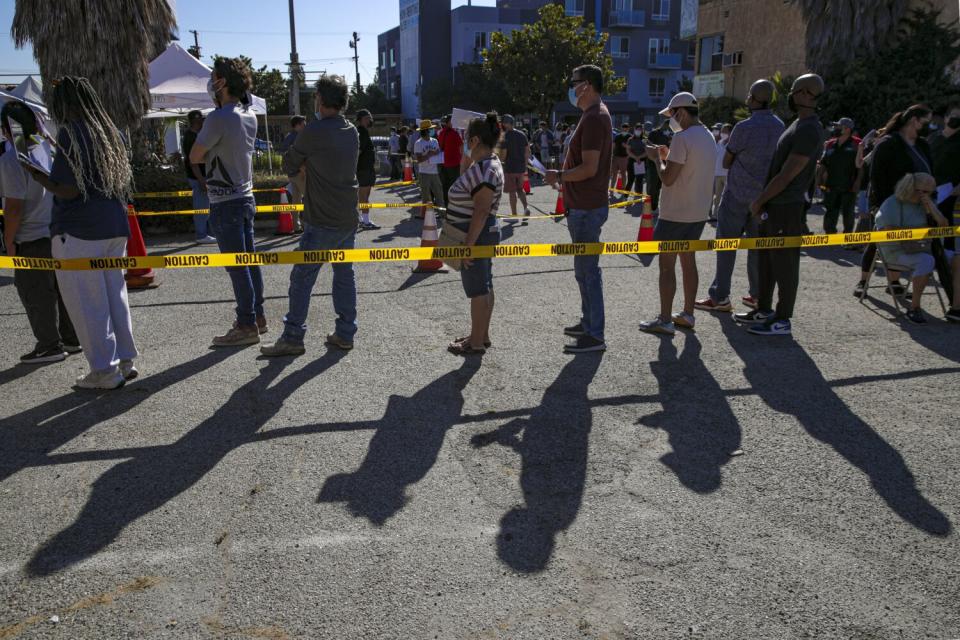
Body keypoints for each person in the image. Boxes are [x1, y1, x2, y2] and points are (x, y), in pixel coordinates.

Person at [22, 77, 137, 389]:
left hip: (79, 231)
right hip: (114, 227)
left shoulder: (71, 133)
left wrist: (35, 173)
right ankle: (125, 361)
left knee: (88, 304)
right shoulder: (109, 131)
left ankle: (104, 371)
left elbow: (68, 189)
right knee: (116, 297)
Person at [262, 75, 360, 356]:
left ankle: (293, 337)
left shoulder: (314, 131)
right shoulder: (350, 130)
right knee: (344, 275)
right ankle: (345, 332)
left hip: (321, 218)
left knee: (302, 278)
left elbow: (289, 162)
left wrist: (303, 180)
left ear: (320, 99)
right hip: (347, 216)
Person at [738, 73, 826, 336]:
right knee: (766, 261)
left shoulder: (809, 129)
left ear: (807, 94)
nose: (791, 95)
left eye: (796, 90)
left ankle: (782, 318)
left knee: (785, 264)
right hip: (774, 206)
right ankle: (764, 309)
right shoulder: (796, 124)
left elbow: (788, 174)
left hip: (787, 207)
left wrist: (760, 200)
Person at [189, 56, 266, 347]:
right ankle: (257, 316)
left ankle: (246, 324)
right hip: (245, 196)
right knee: (250, 262)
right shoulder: (250, 115)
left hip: (224, 200)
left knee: (237, 266)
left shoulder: (218, 118)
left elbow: (195, 156)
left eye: (213, 77)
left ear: (221, 82)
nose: (210, 82)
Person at [0, 99, 80, 363]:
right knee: (61, 288)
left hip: (31, 235)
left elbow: (14, 206)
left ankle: (49, 345)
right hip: (58, 229)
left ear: (6, 129)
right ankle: (71, 338)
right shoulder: (47, 148)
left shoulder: (13, 157)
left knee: (35, 292)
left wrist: (8, 240)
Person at [695, 79, 784, 313]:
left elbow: (726, 160)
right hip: (763, 198)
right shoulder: (780, 126)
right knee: (757, 249)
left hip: (737, 194)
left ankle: (720, 296)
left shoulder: (743, 128)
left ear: (753, 98)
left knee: (726, 246)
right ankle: (757, 295)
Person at [545, 64, 612, 353]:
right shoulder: (592, 115)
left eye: (574, 83)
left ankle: (595, 334)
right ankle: (588, 323)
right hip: (582, 205)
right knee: (583, 271)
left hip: (587, 206)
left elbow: (589, 168)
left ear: (586, 85)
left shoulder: (595, 117)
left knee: (589, 271)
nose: (571, 88)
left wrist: (560, 176)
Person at [639, 92, 717, 336]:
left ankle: (664, 319)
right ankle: (688, 313)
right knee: (688, 262)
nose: (670, 119)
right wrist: (666, 156)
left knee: (666, 267)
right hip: (698, 212)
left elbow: (668, 178)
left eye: (672, 114)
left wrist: (655, 159)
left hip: (675, 214)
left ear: (681, 112)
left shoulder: (683, 137)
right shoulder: (708, 137)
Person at [854, 105, 933, 296]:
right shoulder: (887, 144)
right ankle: (863, 281)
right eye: (925, 122)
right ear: (914, 120)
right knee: (877, 243)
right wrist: (879, 207)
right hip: (887, 204)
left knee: (904, 244)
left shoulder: (923, 146)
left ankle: (894, 283)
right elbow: (876, 178)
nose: (929, 126)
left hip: (914, 205)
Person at [446, 113, 504, 356]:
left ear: (476, 140)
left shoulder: (485, 170)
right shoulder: (485, 165)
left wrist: (468, 246)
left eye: (466, 138)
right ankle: (481, 335)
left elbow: (480, 211)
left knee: (478, 290)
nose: (464, 142)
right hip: (479, 233)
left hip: (475, 235)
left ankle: (477, 342)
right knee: (485, 285)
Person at [874, 172, 960, 323]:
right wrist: (918, 234)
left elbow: (944, 225)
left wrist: (931, 207)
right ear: (912, 188)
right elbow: (887, 231)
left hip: (926, 248)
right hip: (897, 250)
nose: (927, 195)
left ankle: (956, 308)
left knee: (958, 260)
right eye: (924, 192)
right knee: (926, 261)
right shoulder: (893, 203)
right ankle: (914, 308)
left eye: (931, 192)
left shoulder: (926, 204)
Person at [818, 117, 861, 234]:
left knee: (848, 213)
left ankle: (847, 236)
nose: (835, 128)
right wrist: (819, 179)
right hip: (830, 184)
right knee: (830, 210)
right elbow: (823, 163)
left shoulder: (857, 143)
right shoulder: (831, 143)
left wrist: (858, 182)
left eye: (838, 126)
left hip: (849, 185)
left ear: (847, 129)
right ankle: (830, 234)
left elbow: (861, 166)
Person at [181, 110, 217, 243]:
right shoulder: (190, 137)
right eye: (201, 120)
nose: (203, 122)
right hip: (198, 177)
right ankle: (201, 235)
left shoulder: (198, 134)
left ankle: (208, 233)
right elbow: (193, 162)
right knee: (201, 207)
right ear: (196, 121)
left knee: (207, 205)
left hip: (203, 175)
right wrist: (201, 180)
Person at [931, 103, 960, 252]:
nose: (956, 119)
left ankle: (948, 255)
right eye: (954, 116)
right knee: (929, 222)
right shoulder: (933, 138)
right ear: (946, 118)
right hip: (929, 187)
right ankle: (931, 254)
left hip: (950, 189)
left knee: (946, 220)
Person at [498, 114, 531, 220]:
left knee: (512, 191)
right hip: (521, 168)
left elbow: (503, 155)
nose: (502, 124)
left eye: (503, 122)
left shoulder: (505, 136)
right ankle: (526, 208)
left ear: (506, 124)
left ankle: (514, 215)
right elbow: (528, 151)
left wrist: (500, 160)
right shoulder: (522, 134)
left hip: (510, 167)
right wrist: (525, 164)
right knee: (520, 189)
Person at [278, 115, 306, 233]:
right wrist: (302, 168)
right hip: (300, 172)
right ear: (298, 125)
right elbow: (299, 155)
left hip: (291, 173)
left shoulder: (289, 137)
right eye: (304, 123)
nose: (305, 125)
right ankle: (308, 225)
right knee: (309, 198)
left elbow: (283, 153)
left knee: (296, 200)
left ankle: (296, 225)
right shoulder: (299, 137)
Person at [355, 109, 380, 231]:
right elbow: (358, 152)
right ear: (361, 119)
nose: (370, 119)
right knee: (364, 196)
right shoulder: (362, 132)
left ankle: (360, 219)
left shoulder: (362, 132)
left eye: (370, 117)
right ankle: (365, 221)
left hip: (366, 169)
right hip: (363, 169)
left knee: (363, 195)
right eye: (367, 118)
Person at [413, 119, 442, 215]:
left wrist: (438, 154)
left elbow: (438, 153)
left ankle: (442, 213)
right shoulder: (418, 143)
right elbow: (419, 160)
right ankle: (425, 215)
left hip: (435, 172)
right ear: (425, 131)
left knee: (439, 194)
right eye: (430, 129)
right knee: (426, 196)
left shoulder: (435, 141)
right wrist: (429, 154)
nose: (431, 131)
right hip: (424, 173)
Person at [437, 114, 463, 207]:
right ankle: (454, 204)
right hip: (454, 163)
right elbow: (461, 148)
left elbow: (440, 146)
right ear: (448, 123)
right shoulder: (454, 134)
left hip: (444, 163)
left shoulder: (441, 133)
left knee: (445, 185)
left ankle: (446, 204)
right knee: (454, 185)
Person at [646, 120, 672, 212]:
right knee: (652, 186)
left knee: (658, 186)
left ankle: (655, 205)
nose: (669, 129)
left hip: (664, 163)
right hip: (653, 163)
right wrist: (658, 146)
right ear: (664, 125)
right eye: (669, 126)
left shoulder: (669, 135)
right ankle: (650, 206)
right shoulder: (654, 133)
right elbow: (648, 144)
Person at [710, 123, 732, 220]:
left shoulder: (732, 144)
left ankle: (726, 216)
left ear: (731, 132)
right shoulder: (719, 143)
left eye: (725, 131)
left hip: (727, 174)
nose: (723, 133)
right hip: (717, 174)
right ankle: (715, 215)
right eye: (722, 131)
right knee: (717, 197)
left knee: (726, 197)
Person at [624, 122, 647, 195]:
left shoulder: (644, 140)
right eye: (637, 129)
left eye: (640, 129)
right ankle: (625, 196)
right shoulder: (630, 139)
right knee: (630, 180)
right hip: (632, 161)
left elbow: (646, 152)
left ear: (642, 131)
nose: (639, 131)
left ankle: (638, 196)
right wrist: (636, 157)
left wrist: (639, 158)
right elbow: (628, 151)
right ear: (634, 129)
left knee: (639, 180)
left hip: (640, 162)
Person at [611, 123, 630, 193]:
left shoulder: (630, 137)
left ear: (628, 129)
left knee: (623, 174)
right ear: (621, 128)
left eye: (626, 128)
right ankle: (611, 189)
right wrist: (612, 155)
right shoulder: (617, 136)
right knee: (614, 174)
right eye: (623, 128)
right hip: (616, 156)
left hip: (624, 157)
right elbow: (613, 146)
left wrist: (626, 147)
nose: (624, 129)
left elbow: (631, 148)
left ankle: (623, 189)